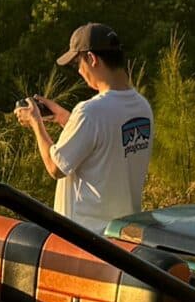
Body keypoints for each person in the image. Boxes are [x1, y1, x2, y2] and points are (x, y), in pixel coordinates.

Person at [15, 22, 154, 230]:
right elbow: (106, 142)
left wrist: (36, 121)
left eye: (78, 63)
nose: (79, 71)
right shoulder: (142, 107)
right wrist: (64, 118)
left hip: (86, 241)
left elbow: (56, 167)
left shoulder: (90, 112)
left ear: (92, 59)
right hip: (123, 239)